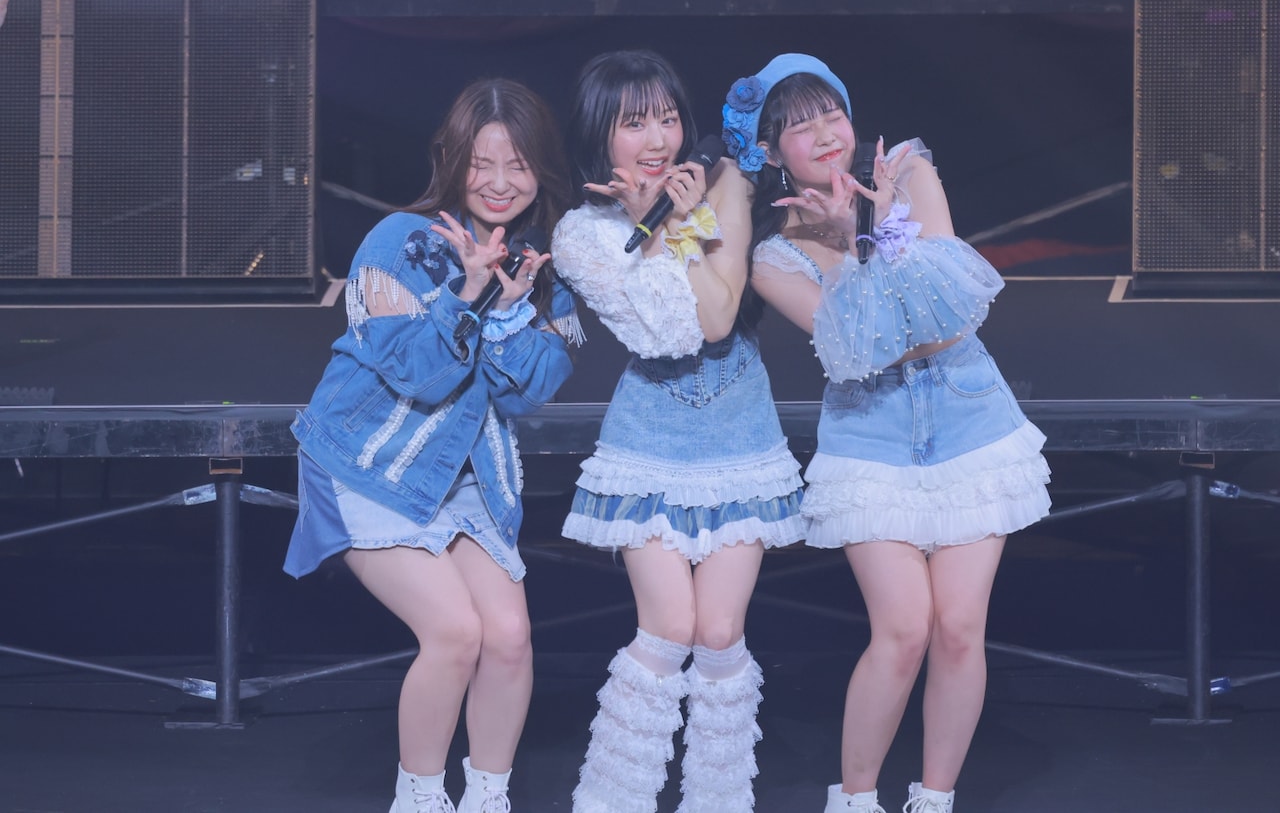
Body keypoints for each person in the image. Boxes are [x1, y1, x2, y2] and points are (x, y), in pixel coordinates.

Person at [722, 54, 1052, 813]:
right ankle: (855, 798)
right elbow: (860, 352)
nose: (825, 134)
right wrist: (856, 246)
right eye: (800, 126)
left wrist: (866, 240)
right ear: (772, 152)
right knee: (903, 629)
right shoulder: (773, 255)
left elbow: (948, 324)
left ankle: (933, 798)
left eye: (831, 114)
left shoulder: (908, 171)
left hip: (970, 421)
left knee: (960, 628)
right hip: (870, 437)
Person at [283, 77, 580, 813]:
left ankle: (487, 797)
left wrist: (508, 312)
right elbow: (419, 373)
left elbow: (525, 393)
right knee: (454, 632)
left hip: (465, 475)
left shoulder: (543, 270)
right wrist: (467, 297)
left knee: (508, 636)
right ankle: (418, 799)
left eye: (518, 165)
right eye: (483, 164)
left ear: (541, 169)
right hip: (367, 462)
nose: (500, 182)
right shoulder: (399, 241)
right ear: (454, 162)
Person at [551, 49, 806, 813]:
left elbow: (722, 317)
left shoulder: (721, 184)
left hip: (741, 427)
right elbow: (669, 333)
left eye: (666, 117)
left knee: (720, 631)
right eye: (635, 123)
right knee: (669, 626)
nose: (658, 138)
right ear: (600, 135)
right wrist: (658, 231)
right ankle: (611, 802)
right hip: (651, 435)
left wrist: (684, 219)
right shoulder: (581, 234)